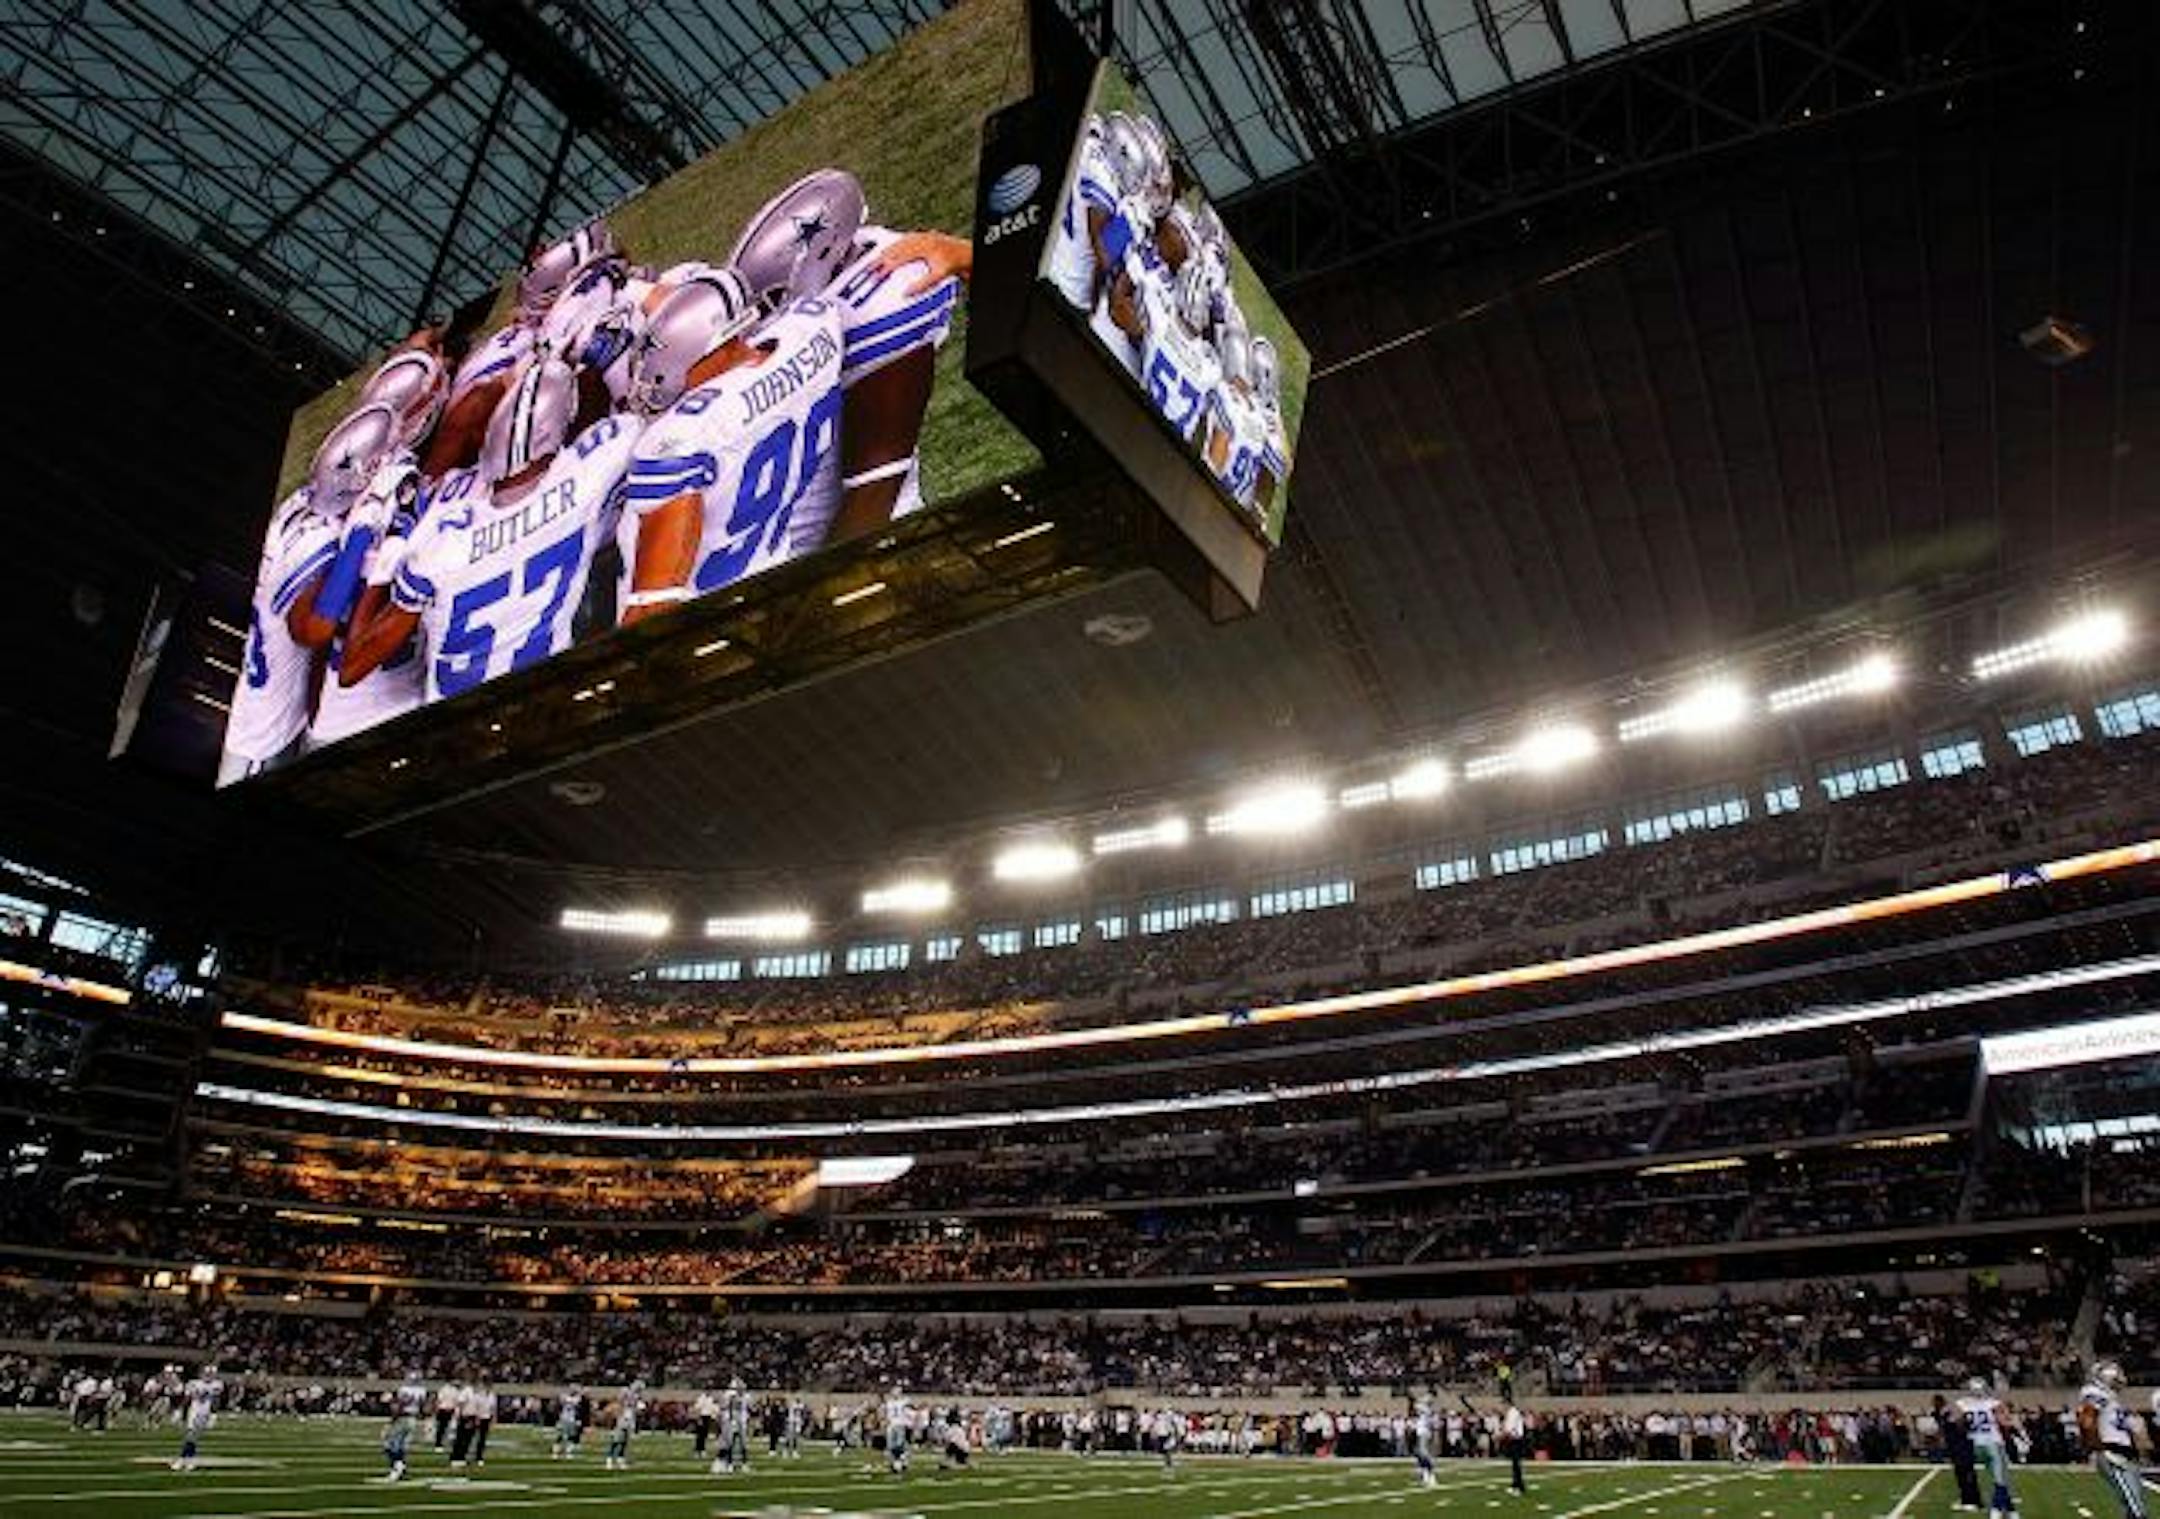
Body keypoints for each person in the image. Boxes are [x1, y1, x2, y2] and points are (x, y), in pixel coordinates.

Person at [2077, 1360, 2149, 1519]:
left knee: (2133, 1503)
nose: (2120, 1380)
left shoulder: (2111, 1398)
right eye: (2116, 1377)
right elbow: (2087, 1422)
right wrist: (2097, 1448)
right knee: (2135, 1507)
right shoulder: (2095, 1393)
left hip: (2122, 1453)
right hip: (2112, 1452)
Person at [1958, 1377, 2017, 1518]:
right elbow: (2005, 1422)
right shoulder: (1994, 1404)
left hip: (1975, 1445)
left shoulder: (1963, 1404)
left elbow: (1958, 1424)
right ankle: (1996, 1509)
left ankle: (2011, 1511)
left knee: (2000, 1478)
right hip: (1993, 1443)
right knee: (2001, 1479)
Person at [171, 1362, 223, 1472]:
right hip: (194, 1412)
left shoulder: (217, 1384)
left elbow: (216, 1401)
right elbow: (187, 1399)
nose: (208, 1376)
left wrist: (213, 1415)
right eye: (206, 1373)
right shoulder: (193, 1383)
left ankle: (187, 1460)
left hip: (205, 1413)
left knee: (193, 1438)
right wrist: (179, 1411)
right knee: (190, 1436)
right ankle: (184, 1460)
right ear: (201, 1373)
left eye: (210, 1374)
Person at [378, 1368, 427, 1482]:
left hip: (403, 1417)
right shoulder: (422, 1390)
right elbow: (423, 1407)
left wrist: (393, 1418)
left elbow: (400, 1405)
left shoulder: (405, 1390)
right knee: (401, 1446)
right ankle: (401, 1467)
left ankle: (397, 1466)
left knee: (389, 1444)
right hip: (413, 1419)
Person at [1936, 1392, 1983, 1511]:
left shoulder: (1959, 1419)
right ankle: (1967, 1499)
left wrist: (1956, 1419)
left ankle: (1972, 1501)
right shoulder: (1948, 1417)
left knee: (1967, 1476)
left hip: (1962, 1451)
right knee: (1962, 1477)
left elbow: (1961, 1428)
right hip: (1958, 1450)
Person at [605, 1379, 644, 1470]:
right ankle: (609, 1458)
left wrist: (638, 1409)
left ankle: (620, 1459)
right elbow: (619, 1403)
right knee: (616, 1439)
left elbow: (636, 1409)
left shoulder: (636, 1396)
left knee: (625, 1441)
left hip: (630, 1418)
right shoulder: (625, 1391)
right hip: (622, 1417)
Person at [551, 1385, 586, 1459]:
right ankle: (556, 1451)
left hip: (571, 1419)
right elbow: (566, 1400)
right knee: (561, 1436)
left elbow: (578, 1403)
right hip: (564, 1418)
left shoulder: (575, 1398)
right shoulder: (567, 1397)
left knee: (571, 1436)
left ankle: (568, 1452)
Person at [1502, 1400, 1527, 1494]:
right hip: (1514, 1439)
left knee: (1516, 1464)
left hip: (1516, 1440)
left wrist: (1499, 1436)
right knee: (1514, 1464)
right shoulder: (1511, 1413)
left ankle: (1519, 1487)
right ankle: (1515, 1484)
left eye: (1504, 1404)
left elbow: (1509, 1429)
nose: (1503, 1407)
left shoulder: (1513, 1413)